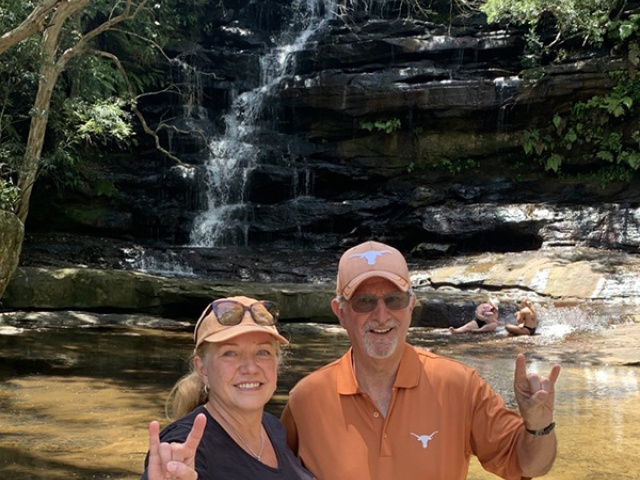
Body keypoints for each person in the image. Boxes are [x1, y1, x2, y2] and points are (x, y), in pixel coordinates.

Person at [281, 240, 560, 480]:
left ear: (411, 306)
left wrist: (539, 427)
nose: (381, 315)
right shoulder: (305, 400)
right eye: (364, 302)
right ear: (340, 312)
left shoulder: (459, 385)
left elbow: (527, 463)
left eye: (394, 300)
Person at [141, 295, 314, 480]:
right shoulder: (185, 447)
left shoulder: (272, 427)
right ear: (203, 369)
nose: (250, 368)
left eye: (263, 352)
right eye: (230, 353)